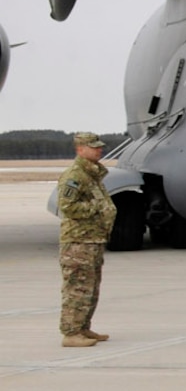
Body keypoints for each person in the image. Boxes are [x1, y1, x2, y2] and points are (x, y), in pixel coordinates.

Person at [56, 131, 119, 347]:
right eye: (93, 147)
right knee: (77, 287)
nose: (99, 150)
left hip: (93, 240)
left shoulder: (92, 174)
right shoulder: (75, 175)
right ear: (80, 149)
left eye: (99, 146)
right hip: (78, 242)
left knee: (90, 287)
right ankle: (71, 333)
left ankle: (83, 327)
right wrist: (98, 208)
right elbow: (67, 206)